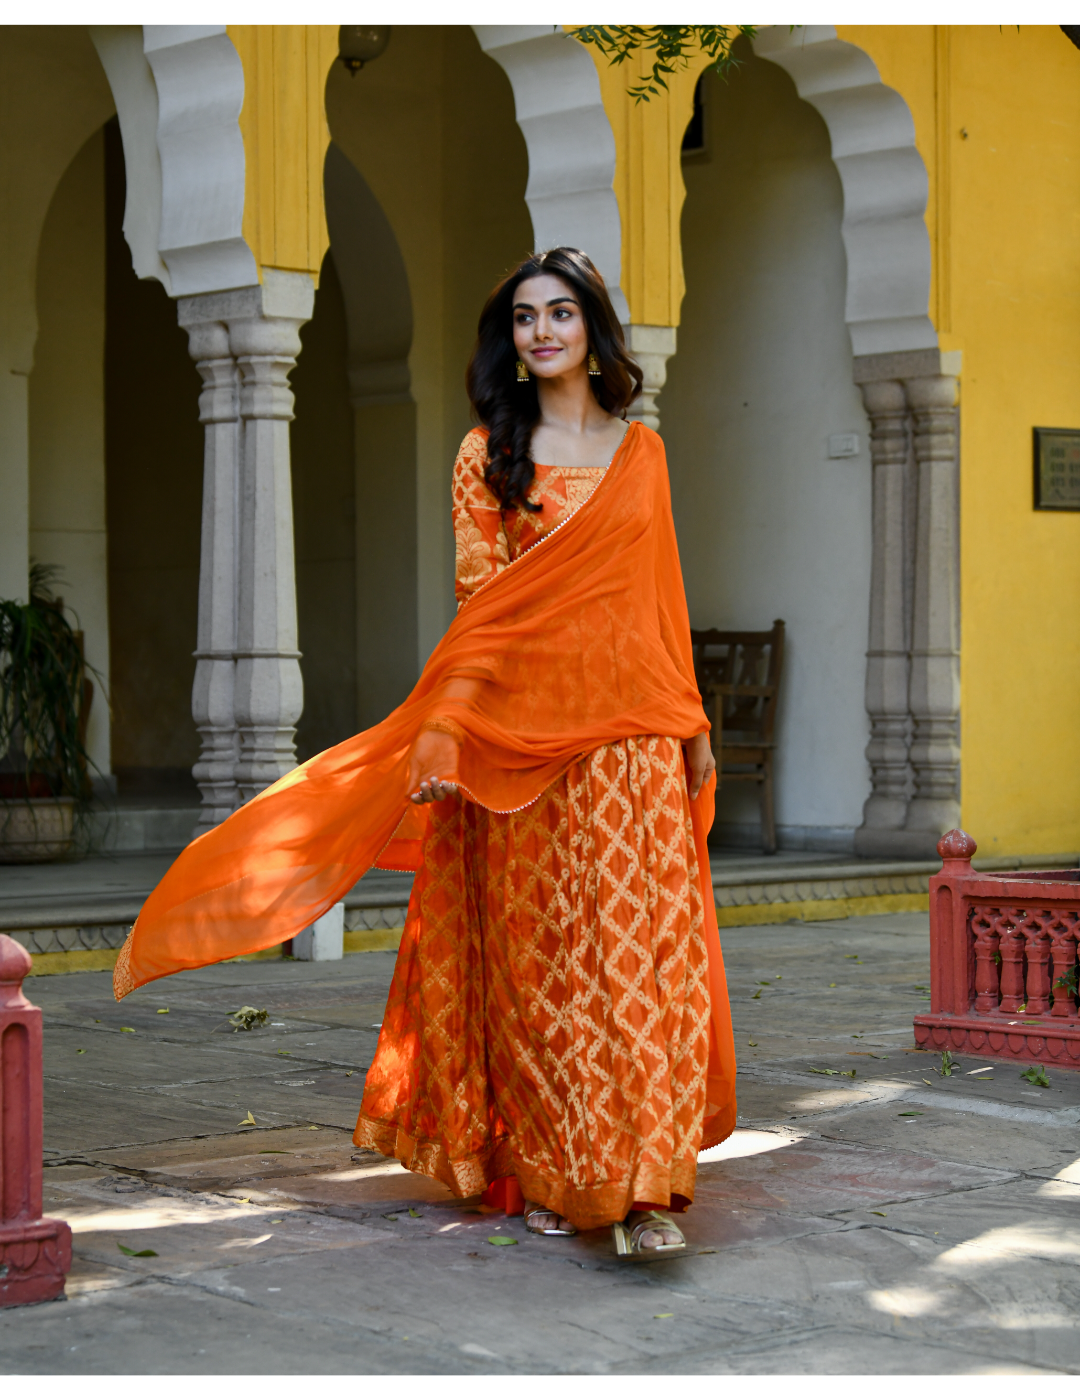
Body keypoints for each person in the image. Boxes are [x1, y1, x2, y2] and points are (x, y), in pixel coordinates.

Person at [113, 247, 736, 1259]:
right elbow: (482, 612)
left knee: (641, 972)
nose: (542, 331)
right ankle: (557, 1171)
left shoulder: (642, 454)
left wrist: (693, 726)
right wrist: (445, 730)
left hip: (632, 748)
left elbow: (662, 601)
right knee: (550, 978)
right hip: (520, 755)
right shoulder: (489, 453)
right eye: (526, 317)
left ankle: (639, 1183)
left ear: (593, 330)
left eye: (562, 314)